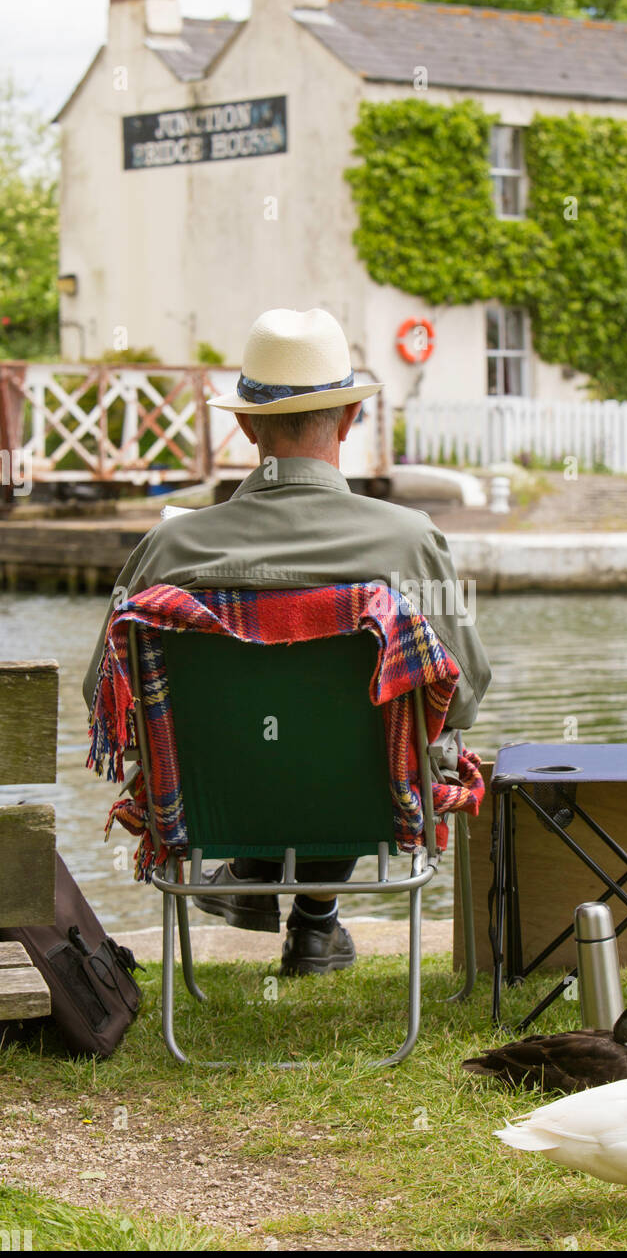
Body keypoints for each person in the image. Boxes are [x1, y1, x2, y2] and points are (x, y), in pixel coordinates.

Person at [84, 308, 490, 975]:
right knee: (374, 728)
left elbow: (102, 693)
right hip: (373, 799)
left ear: (244, 424)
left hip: (208, 802)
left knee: (267, 739)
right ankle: (316, 918)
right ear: (350, 420)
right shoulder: (409, 539)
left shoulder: (170, 545)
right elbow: (464, 693)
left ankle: (254, 873)